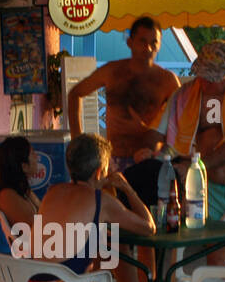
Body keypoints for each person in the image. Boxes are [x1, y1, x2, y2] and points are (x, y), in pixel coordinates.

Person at [152, 39, 225, 266]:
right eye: (203, 75)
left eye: (213, 78)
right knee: (215, 257)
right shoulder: (185, 95)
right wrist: (152, 152)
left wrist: (197, 166)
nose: (206, 82)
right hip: (209, 189)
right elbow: (159, 132)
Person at [29, 134, 155, 282]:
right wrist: (127, 188)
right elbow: (148, 227)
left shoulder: (53, 192)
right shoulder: (101, 200)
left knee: (107, 242)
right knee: (113, 245)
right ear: (98, 172)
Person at [67, 16, 181, 171]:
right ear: (130, 42)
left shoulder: (168, 80)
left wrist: (149, 134)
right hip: (113, 159)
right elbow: (75, 93)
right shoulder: (112, 71)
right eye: (142, 41)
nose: (148, 48)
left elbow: (182, 122)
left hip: (149, 160)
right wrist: (77, 139)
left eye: (154, 43)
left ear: (160, 45)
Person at [0, 135, 40, 232]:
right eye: (33, 154)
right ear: (24, 166)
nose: (37, 157)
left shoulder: (21, 190)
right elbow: (35, 228)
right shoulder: (7, 196)